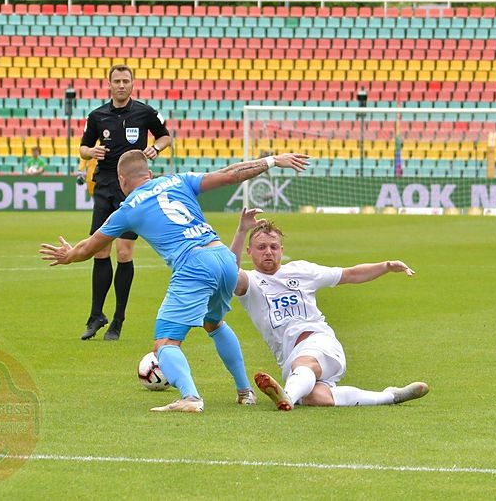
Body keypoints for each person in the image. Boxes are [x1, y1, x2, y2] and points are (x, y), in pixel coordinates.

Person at [40, 151, 310, 412]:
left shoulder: (128, 209)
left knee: (165, 344)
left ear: (122, 180)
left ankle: (190, 397)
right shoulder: (178, 180)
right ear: (149, 173)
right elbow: (230, 174)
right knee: (214, 322)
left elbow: (89, 247)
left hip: (194, 264)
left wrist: (68, 256)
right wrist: (273, 160)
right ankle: (245, 391)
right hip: (224, 258)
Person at [228, 209, 430, 411]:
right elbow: (229, 271)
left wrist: (386, 266)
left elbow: (349, 274)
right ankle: (390, 396)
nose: (268, 252)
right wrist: (241, 230)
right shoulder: (250, 282)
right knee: (316, 397)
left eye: (273, 247)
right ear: (249, 251)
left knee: (304, 366)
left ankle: (287, 396)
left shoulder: (301, 270)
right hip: (290, 359)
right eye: (261, 247)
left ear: (281, 250)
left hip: (320, 342)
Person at [77, 64, 173, 341]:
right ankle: (96, 315)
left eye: (125, 81)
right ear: (109, 84)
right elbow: (83, 149)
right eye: (117, 81)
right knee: (100, 250)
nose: (121, 85)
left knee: (124, 253)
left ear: (132, 84)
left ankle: (118, 319)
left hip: (132, 189)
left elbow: (165, 136)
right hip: (105, 185)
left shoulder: (145, 112)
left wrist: (156, 148)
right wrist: (91, 151)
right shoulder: (97, 116)